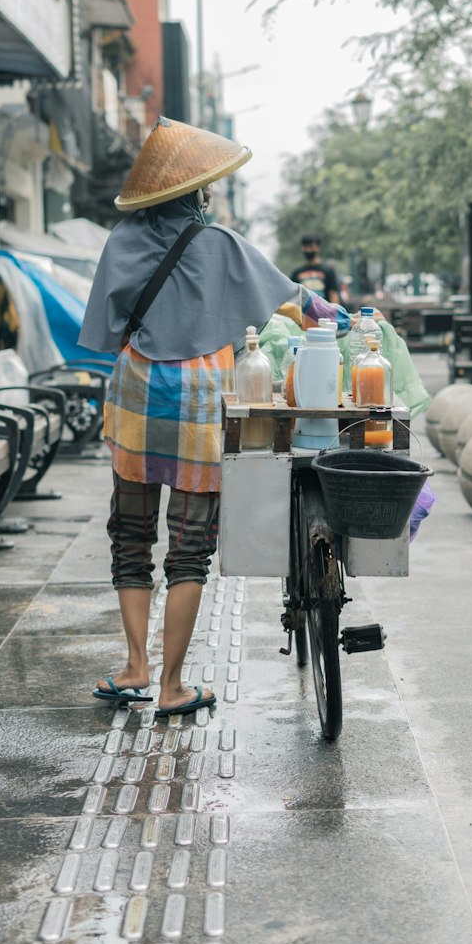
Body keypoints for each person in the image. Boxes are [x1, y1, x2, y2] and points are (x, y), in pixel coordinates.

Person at [79, 117, 347, 717]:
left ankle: (135, 667)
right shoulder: (219, 243)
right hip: (200, 393)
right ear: (198, 190)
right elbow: (295, 299)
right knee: (190, 543)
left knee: (130, 532)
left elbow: (102, 325)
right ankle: (173, 684)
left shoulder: (122, 240)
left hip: (137, 390)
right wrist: (332, 313)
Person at [289, 234, 341, 304]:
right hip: (302, 313)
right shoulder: (296, 273)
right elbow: (292, 297)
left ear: (317, 248)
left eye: (311, 246)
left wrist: (334, 312)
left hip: (324, 313)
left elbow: (333, 294)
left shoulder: (328, 271)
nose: (308, 250)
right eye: (305, 247)